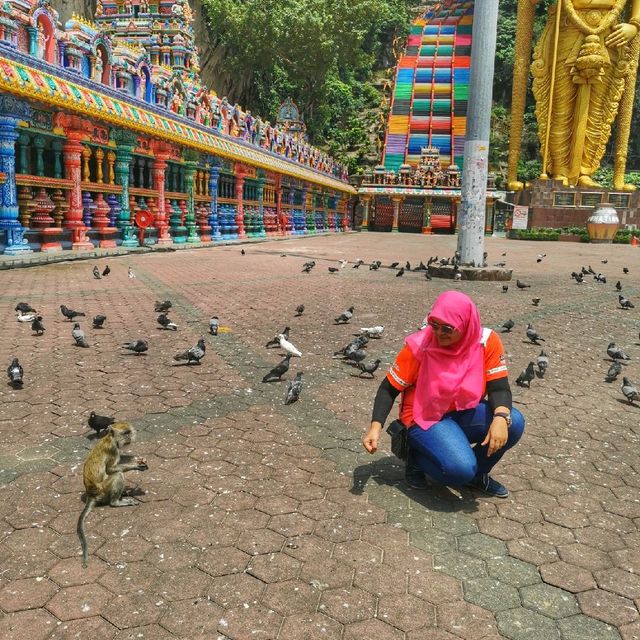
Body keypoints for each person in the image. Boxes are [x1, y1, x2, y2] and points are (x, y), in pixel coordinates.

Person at [362, 291, 525, 498]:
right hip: (423, 416)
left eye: (448, 328)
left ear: (466, 325)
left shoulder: (486, 342)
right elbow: (388, 389)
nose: (439, 333)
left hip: (462, 409)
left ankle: (477, 474)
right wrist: (375, 427)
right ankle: (414, 455)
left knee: (515, 422)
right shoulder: (419, 346)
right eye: (434, 325)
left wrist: (501, 418)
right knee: (460, 470)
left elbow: (499, 388)